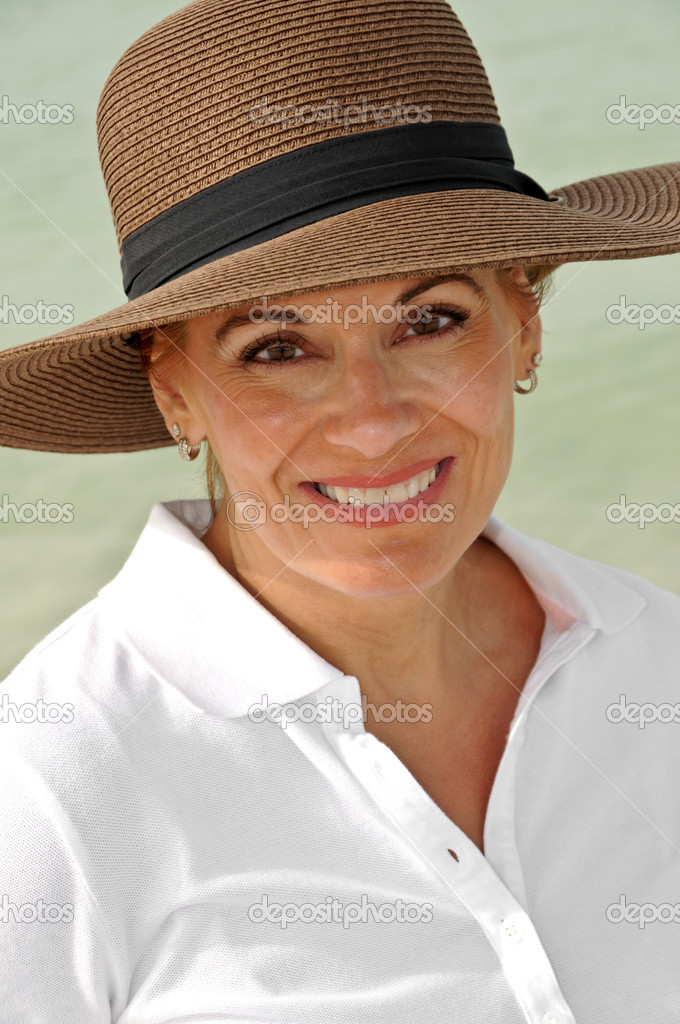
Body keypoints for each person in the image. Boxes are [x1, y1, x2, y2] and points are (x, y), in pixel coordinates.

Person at [1, 1, 679, 1021]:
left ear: (522, 325)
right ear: (174, 388)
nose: (371, 424)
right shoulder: (51, 784)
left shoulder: (656, 661)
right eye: (273, 348)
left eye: (429, 321)